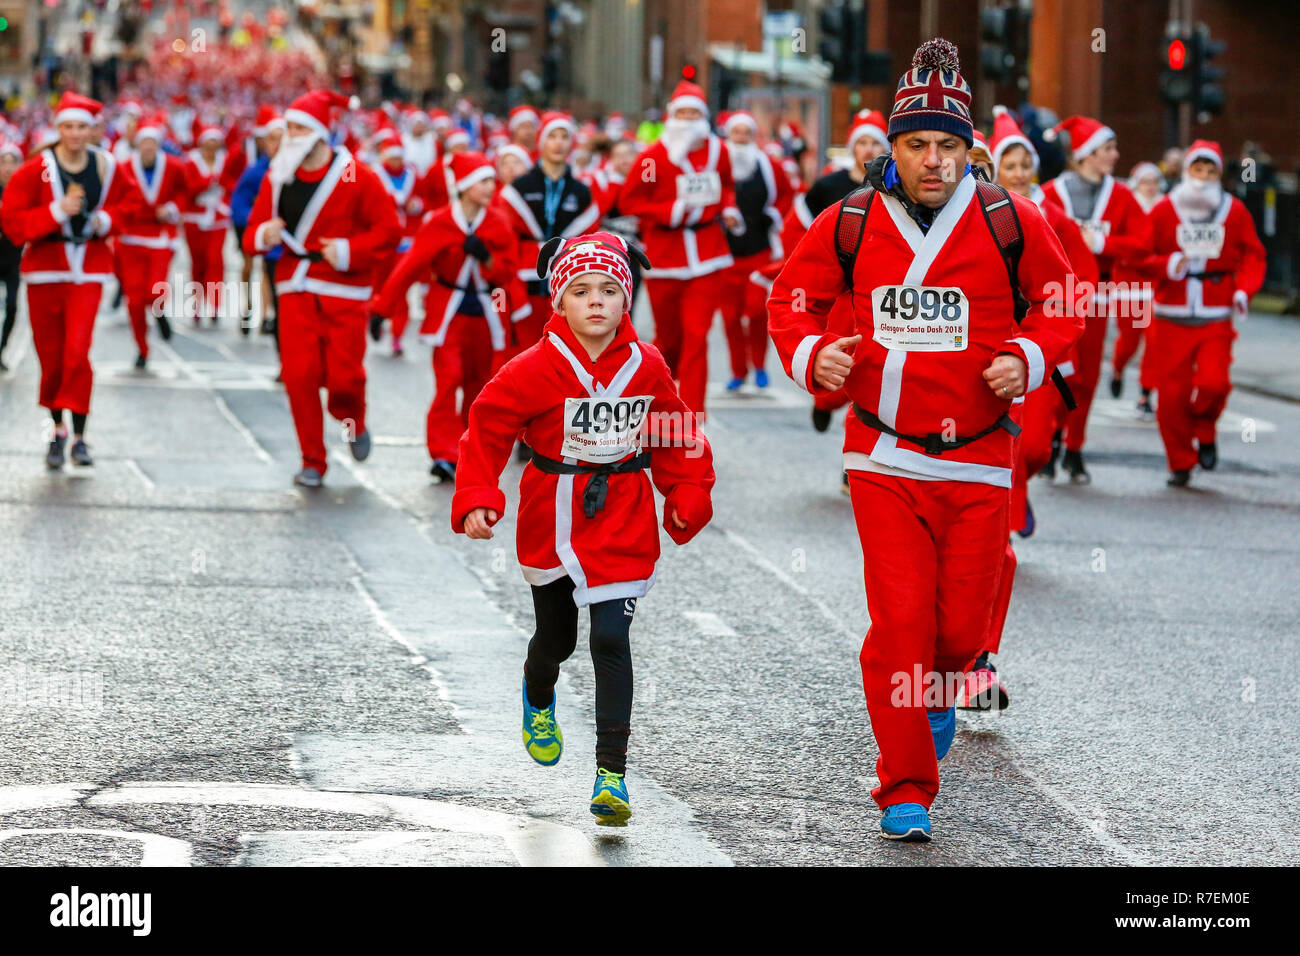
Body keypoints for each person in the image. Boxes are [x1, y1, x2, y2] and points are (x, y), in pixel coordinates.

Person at [767, 39, 1082, 841]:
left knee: (958, 634)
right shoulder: (851, 221)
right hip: (883, 455)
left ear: (969, 150)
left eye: (948, 145)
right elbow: (790, 300)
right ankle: (904, 784)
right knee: (902, 624)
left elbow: (1063, 300)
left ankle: (938, 698)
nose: (933, 161)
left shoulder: (1012, 218)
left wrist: (1029, 355)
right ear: (892, 147)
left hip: (981, 456)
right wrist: (814, 354)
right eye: (917, 145)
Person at [451, 232, 715, 825]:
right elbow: (486, 430)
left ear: (626, 301)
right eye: (580, 291)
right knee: (559, 640)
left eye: (609, 290)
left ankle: (611, 776)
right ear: (558, 303)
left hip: (622, 511)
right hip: (551, 513)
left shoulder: (647, 365)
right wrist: (477, 494)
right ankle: (538, 691)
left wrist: (688, 488)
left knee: (610, 641)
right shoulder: (532, 368)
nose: (596, 301)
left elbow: (675, 430)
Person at [959, 106, 1098, 711]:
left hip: (1021, 374)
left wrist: (1041, 346)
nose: (1001, 178)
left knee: (1000, 530)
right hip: (933, 408)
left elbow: (1074, 289)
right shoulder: (912, 227)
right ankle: (939, 664)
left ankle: (979, 661)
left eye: (1011, 167)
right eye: (993, 166)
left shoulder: (1040, 219)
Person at [242, 89, 401, 488]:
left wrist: (349, 250)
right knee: (299, 375)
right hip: (295, 288)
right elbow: (250, 238)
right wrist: (265, 232)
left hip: (343, 291)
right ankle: (312, 459)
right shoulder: (276, 176)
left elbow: (389, 231)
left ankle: (354, 419)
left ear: (318, 133)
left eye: (299, 128)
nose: (291, 135)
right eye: (288, 127)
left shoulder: (357, 175)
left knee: (345, 379)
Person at [0, 92, 139, 469]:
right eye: (68, 126)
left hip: (88, 269)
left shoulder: (107, 166)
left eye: (82, 126)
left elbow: (130, 205)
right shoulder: (38, 169)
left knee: (77, 351)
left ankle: (80, 436)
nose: (75, 133)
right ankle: (57, 429)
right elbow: (12, 222)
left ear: (92, 129)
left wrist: (103, 221)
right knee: (52, 358)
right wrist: (54, 211)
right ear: (58, 129)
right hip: (46, 269)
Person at [370, 152, 520, 483]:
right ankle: (443, 453)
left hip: (485, 313)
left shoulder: (497, 222)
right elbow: (409, 267)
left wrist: (486, 258)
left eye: (491, 180)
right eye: (482, 181)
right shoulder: (439, 221)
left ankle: (469, 450)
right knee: (447, 379)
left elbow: (507, 273)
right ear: (464, 186)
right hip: (447, 314)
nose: (489, 186)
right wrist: (382, 309)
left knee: (478, 384)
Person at [1139, 140, 1265, 487]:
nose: (1203, 178)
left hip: (1215, 313)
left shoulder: (1234, 211)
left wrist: (1244, 290)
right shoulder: (1163, 210)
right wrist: (1168, 265)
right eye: (1198, 169)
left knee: (1214, 383)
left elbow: (1254, 255)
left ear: (1219, 175)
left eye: (1211, 171)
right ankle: (1180, 461)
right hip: (1171, 315)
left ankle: (1205, 426)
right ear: (1186, 171)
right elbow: (1139, 256)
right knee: (1171, 397)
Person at [618, 80, 744, 417]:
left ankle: (693, 417)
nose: (688, 119)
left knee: (697, 336)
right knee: (669, 341)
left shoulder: (720, 151)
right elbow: (629, 201)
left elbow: (727, 187)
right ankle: (650, 397)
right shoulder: (653, 157)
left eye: (694, 113)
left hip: (708, 255)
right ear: (672, 117)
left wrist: (729, 210)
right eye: (682, 113)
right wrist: (668, 210)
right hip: (665, 256)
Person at [1040, 115, 1152, 482]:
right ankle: (1051, 437)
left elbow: (1142, 242)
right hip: (1054, 296)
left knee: (1085, 378)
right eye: (1108, 149)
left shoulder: (1121, 195)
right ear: (1087, 154)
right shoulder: (1052, 193)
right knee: (1059, 374)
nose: (1115, 155)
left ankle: (1074, 447)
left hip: (1098, 295)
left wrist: (1102, 243)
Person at [496, 112, 601, 358]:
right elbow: (504, 239)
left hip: (564, 286)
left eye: (565, 136)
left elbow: (589, 241)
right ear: (541, 141)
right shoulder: (519, 188)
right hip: (523, 283)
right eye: (552, 136)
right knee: (521, 356)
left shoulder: (582, 192)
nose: (559, 142)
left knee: (562, 355)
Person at [716, 110, 792, 391]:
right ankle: (738, 370)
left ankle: (760, 365)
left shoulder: (769, 165)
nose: (741, 138)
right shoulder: (718, 165)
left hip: (760, 250)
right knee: (730, 316)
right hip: (725, 254)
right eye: (736, 133)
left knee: (757, 312)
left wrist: (774, 215)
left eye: (746, 133)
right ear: (728, 135)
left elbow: (786, 194)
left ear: (753, 136)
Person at [115, 112, 189, 370]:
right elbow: (114, 199)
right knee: (134, 300)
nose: (148, 147)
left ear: (158, 144)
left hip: (160, 238)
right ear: (138, 144)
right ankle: (142, 347)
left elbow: (185, 192)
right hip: (131, 239)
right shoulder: (123, 167)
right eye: (144, 142)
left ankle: (159, 313)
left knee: (155, 290)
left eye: (152, 143)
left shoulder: (174, 166)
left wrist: (171, 209)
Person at [366, 123, 430, 357]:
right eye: (392, 157)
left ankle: (397, 336)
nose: (396, 162)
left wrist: (417, 205)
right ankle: (377, 319)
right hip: (383, 242)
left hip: (407, 241)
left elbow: (425, 200)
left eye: (399, 157)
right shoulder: (374, 175)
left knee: (400, 288)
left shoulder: (413, 174)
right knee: (379, 286)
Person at [0, 140, 23, 372]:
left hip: (14, 260)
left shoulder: (23, 191)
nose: (7, 168)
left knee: (13, 306)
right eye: (2, 162)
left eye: (12, 162)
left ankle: (2, 349)